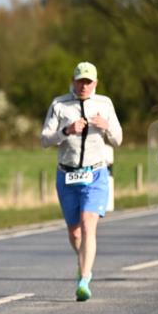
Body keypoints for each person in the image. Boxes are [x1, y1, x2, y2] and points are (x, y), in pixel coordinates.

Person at [40, 62, 123, 301]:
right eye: (80, 81)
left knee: (88, 225)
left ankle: (84, 279)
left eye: (88, 82)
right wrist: (66, 131)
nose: (83, 86)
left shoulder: (105, 104)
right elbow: (45, 140)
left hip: (96, 173)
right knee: (75, 233)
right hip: (67, 174)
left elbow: (118, 139)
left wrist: (106, 127)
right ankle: (84, 263)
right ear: (73, 81)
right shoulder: (59, 104)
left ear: (95, 83)